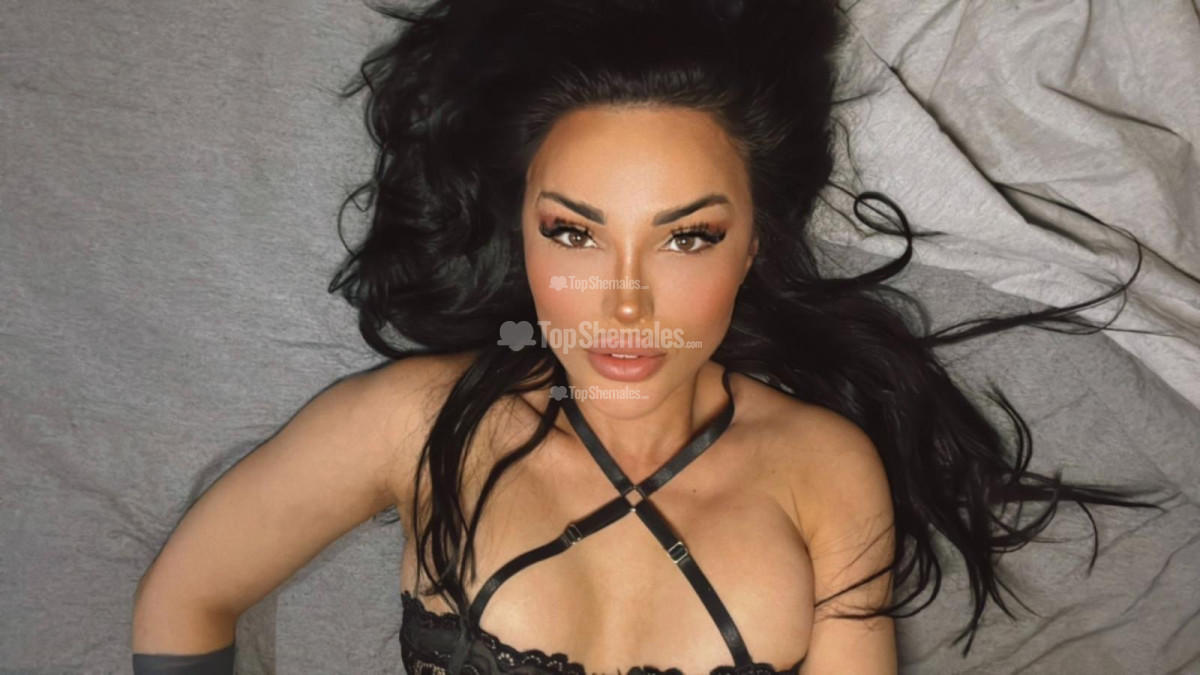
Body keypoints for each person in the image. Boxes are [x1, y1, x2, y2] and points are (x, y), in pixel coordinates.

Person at [131, 0, 1168, 673]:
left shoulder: (823, 471)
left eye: (687, 237)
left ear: (753, 241)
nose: (624, 303)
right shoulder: (413, 423)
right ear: (519, 228)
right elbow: (189, 595)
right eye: (574, 232)